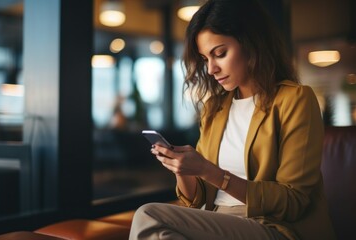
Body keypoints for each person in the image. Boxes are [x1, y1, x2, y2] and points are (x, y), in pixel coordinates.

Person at [129, 0, 336, 239]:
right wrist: (182, 169)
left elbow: (293, 201)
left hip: (275, 227)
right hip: (220, 221)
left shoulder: (295, 100)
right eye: (205, 58)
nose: (210, 69)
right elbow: (198, 200)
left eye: (220, 54)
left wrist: (209, 170)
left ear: (252, 43)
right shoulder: (215, 108)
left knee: (149, 215)